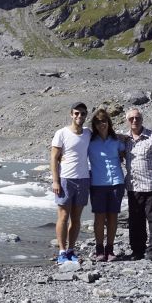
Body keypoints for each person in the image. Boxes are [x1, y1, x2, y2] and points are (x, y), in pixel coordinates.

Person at [124, 107, 152, 260]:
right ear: (127, 121)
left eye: (137, 118)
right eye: (131, 119)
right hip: (134, 187)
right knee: (135, 221)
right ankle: (137, 250)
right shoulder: (125, 139)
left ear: (142, 119)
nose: (135, 121)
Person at [50, 102, 92, 263]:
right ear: (71, 114)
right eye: (76, 113)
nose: (79, 116)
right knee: (63, 216)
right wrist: (55, 181)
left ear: (86, 115)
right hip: (65, 179)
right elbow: (54, 157)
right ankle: (61, 251)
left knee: (76, 218)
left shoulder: (88, 133)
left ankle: (71, 250)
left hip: (83, 179)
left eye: (82, 113)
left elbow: (105, 134)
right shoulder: (61, 133)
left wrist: (122, 137)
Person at [87, 108, 126, 261]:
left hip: (117, 182)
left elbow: (125, 154)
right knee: (99, 217)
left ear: (108, 122)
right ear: (94, 125)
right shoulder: (90, 142)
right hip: (97, 183)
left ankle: (110, 249)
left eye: (104, 121)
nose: (101, 124)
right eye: (97, 122)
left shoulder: (117, 141)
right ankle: (99, 249)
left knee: (113, 217)